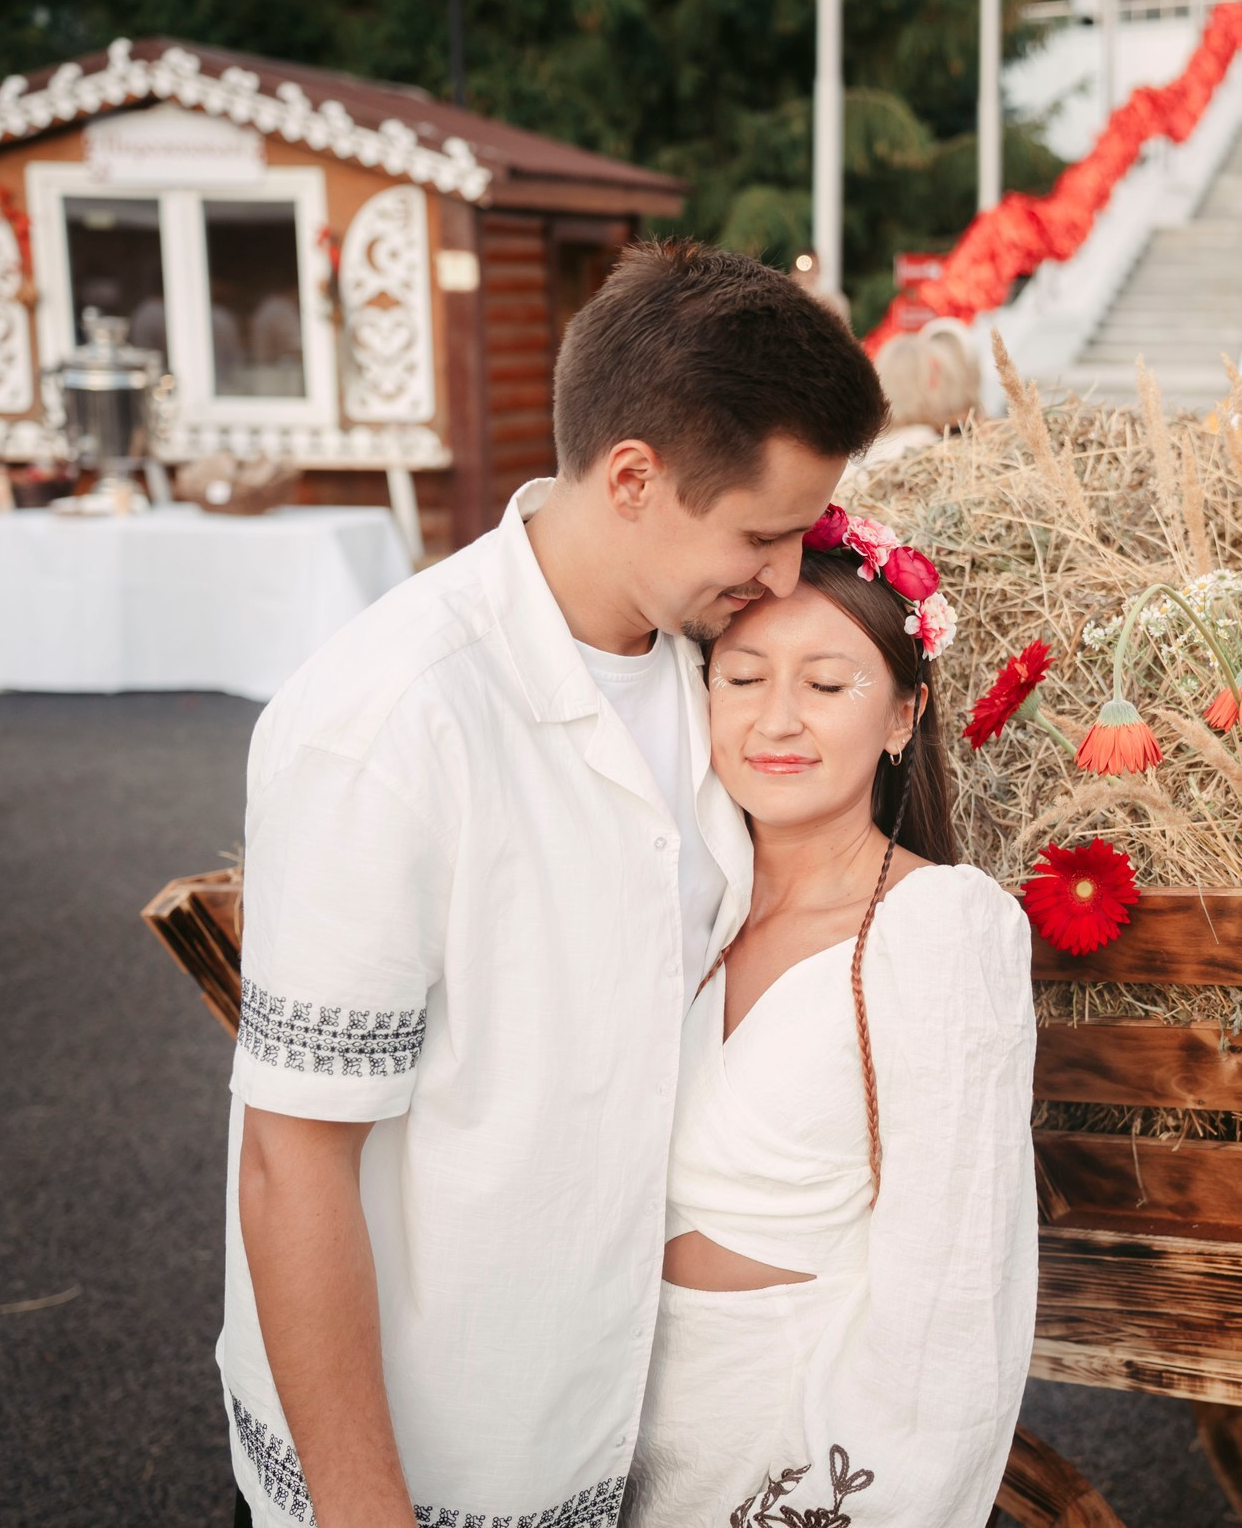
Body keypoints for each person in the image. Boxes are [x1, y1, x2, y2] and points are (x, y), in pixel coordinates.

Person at [220, 241, 886, 1528]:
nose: (791, 578)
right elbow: (287, 1163)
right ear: (632, 475)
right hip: (428, 1458)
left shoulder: (721, 675)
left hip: (624, 1424)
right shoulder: (389, 718)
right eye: (764, 532)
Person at [624, 513, 1035, 1527]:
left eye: (826, 682)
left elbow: (954, 1283)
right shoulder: (679, 906)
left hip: (789, 1432)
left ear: (903, 713)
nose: (775, 720)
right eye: (744, 675)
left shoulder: (935, 924)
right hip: (615, 1414)